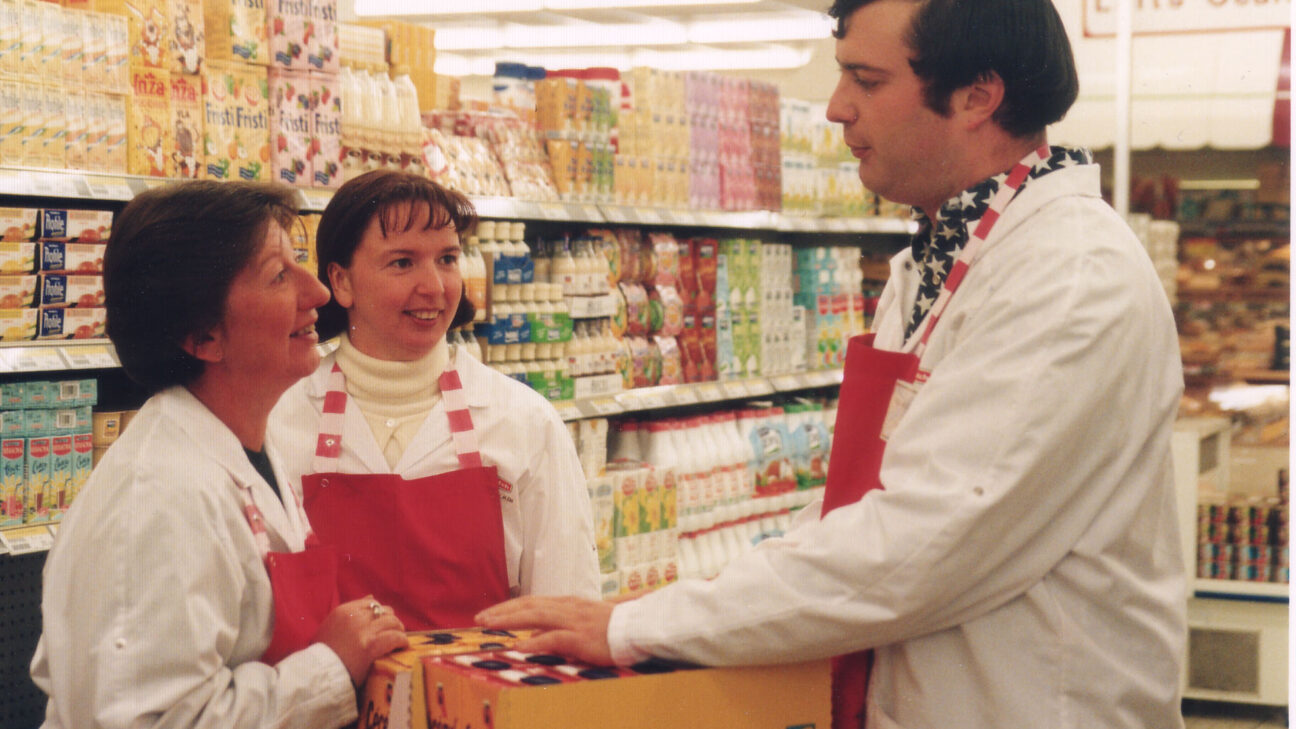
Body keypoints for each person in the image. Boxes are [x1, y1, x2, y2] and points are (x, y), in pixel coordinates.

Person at [477, 1, 1188, 728]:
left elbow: (921, 544)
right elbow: (861, 507)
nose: (836, 108)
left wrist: (643, 626)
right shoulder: (940, 259)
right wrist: (683, 607)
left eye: (866, 81)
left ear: (978, 96)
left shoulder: (1068, 276)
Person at [31, 180, 410, 729]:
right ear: (203, 336)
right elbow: (152, 722)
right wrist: (329, 667)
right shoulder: (158, 499)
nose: (318, 293)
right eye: (279, 276)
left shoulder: (248, 447)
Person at [268, 170, 600, 632]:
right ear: (341, 282)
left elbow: (566, 617)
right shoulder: (278, 421)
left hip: (484, 679)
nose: (435, 287)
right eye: (403, 263)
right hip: (324, 682)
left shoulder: (524, 421)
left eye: (447, 259)